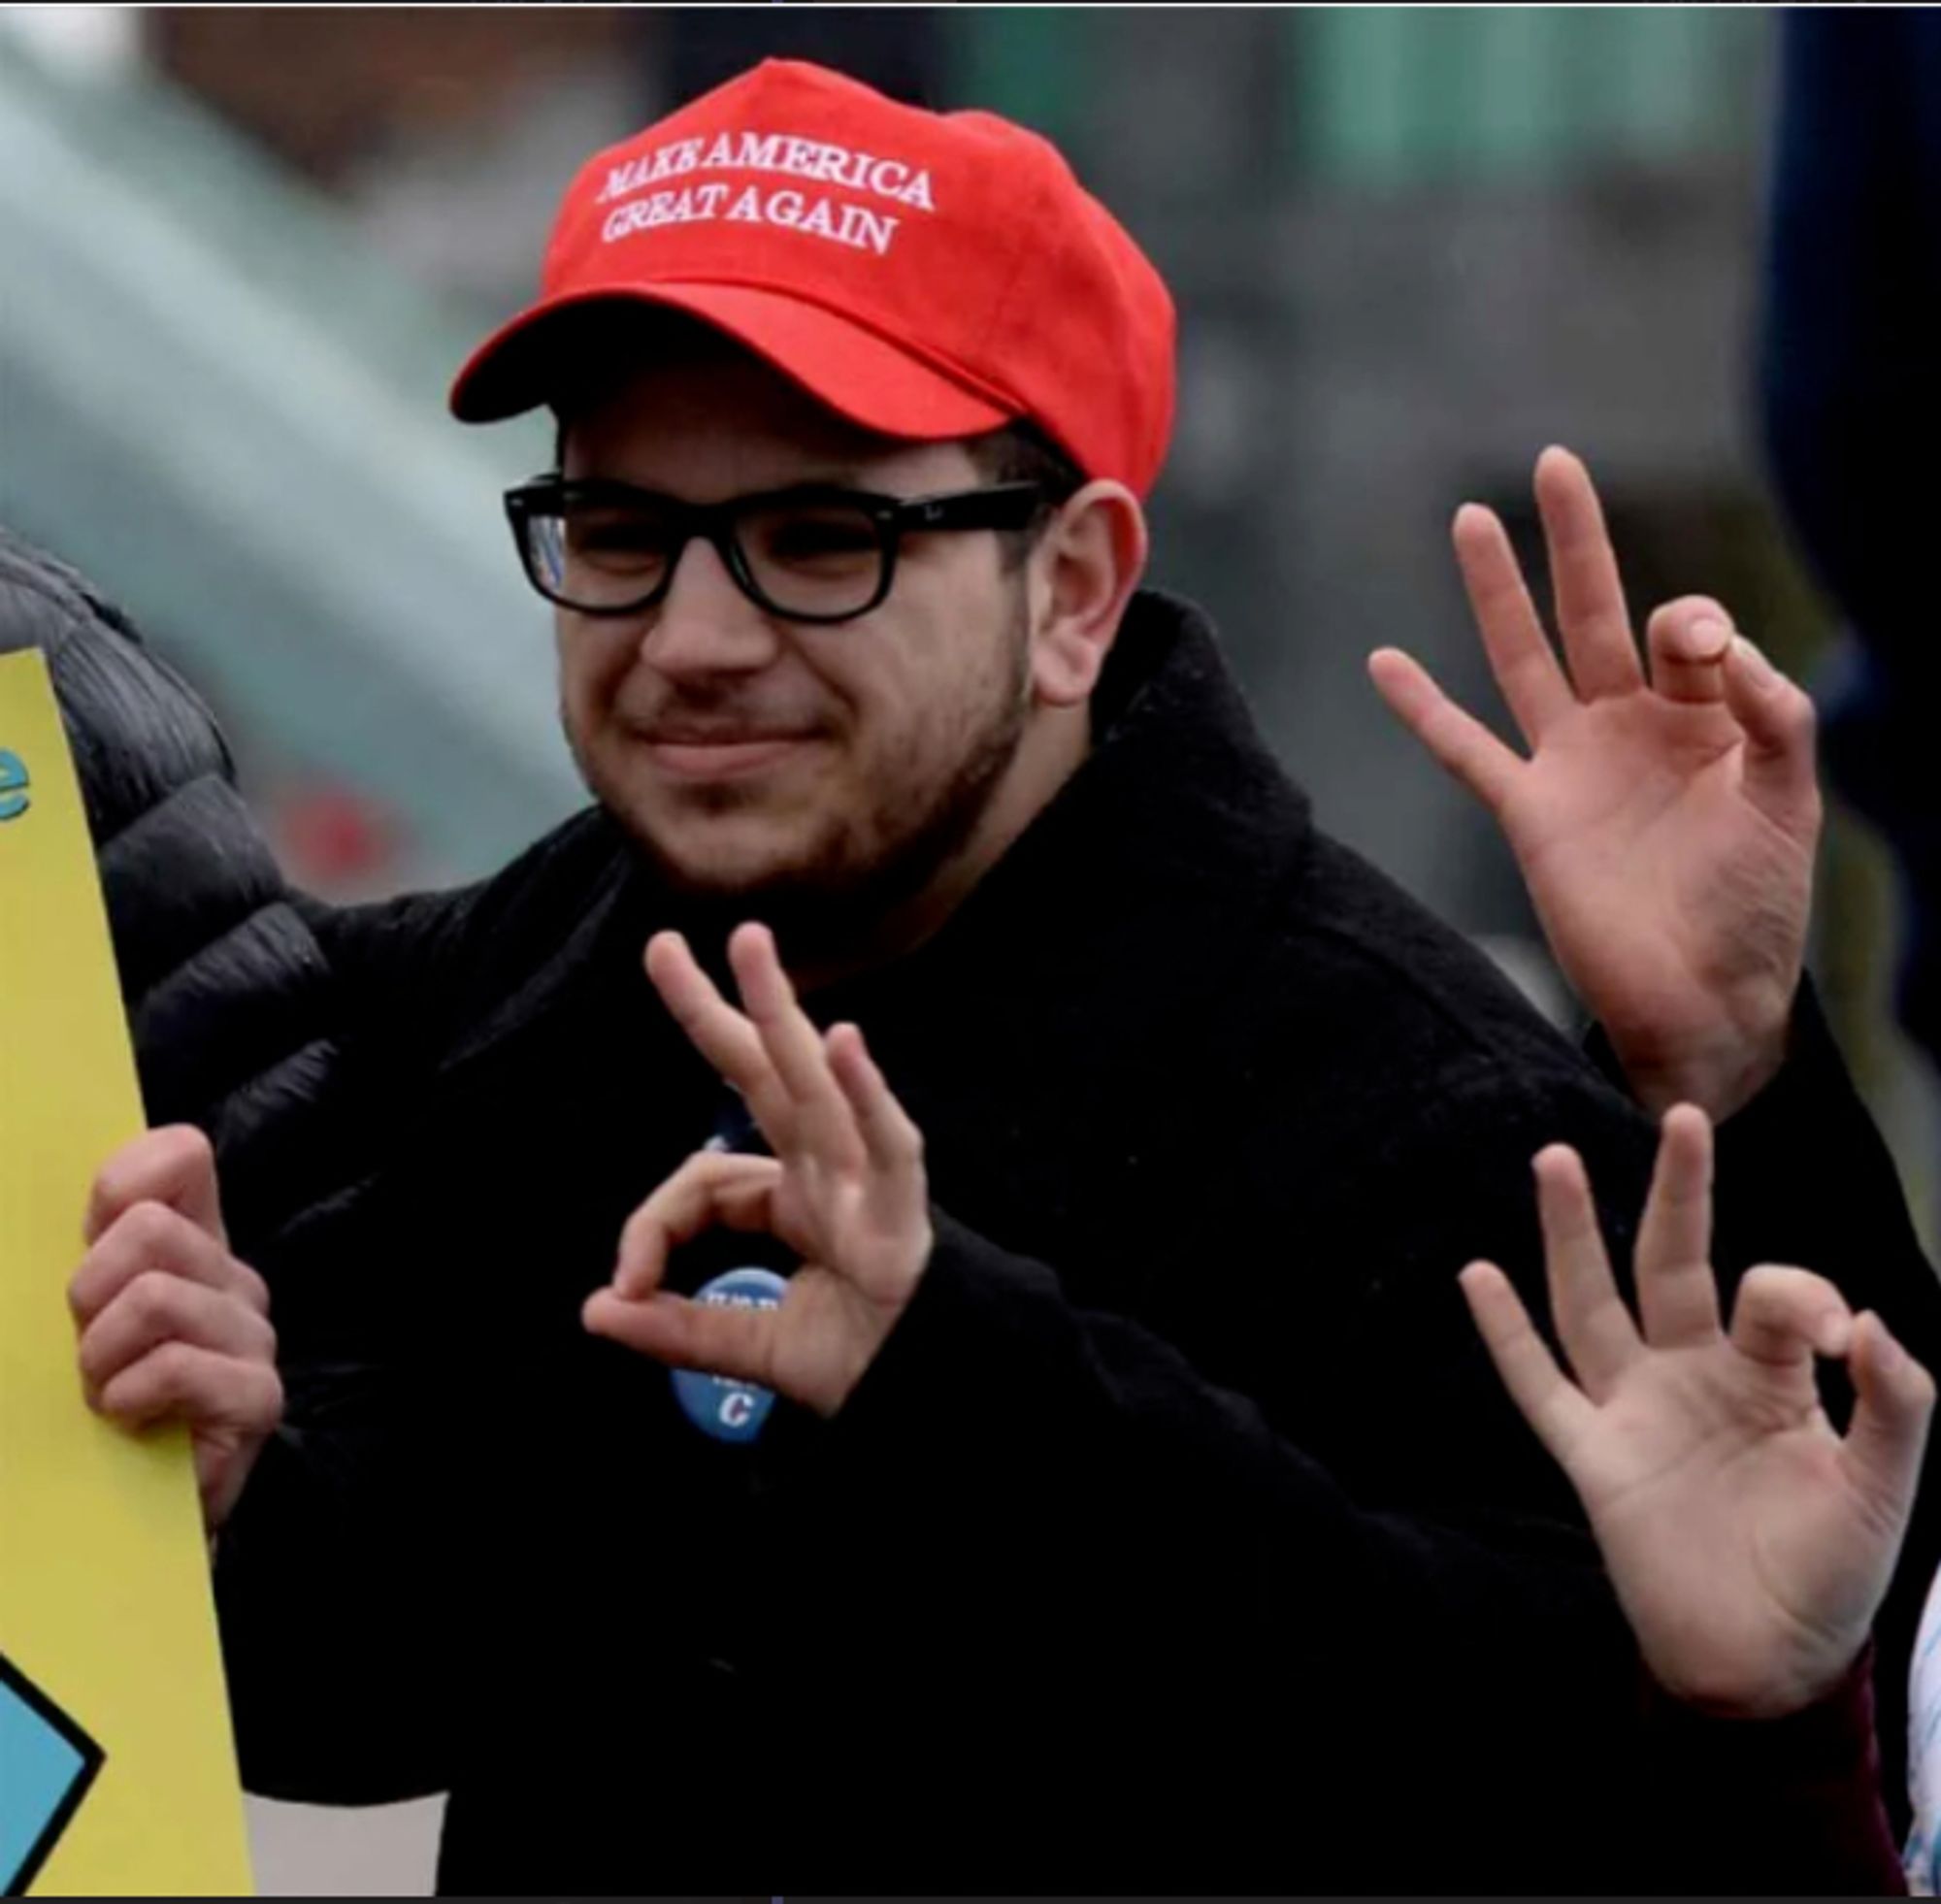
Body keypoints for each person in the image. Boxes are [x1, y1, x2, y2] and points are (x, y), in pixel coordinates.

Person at [58, 57, 1941, 1889]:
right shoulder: (529, 988)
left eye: (821, 540)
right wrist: (231, 1509)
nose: (692, 638)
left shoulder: (1426, 1117)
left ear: (1071, 591)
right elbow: (420, 1674)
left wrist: (953, 1381)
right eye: (619, 538)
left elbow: (1578, 1774)